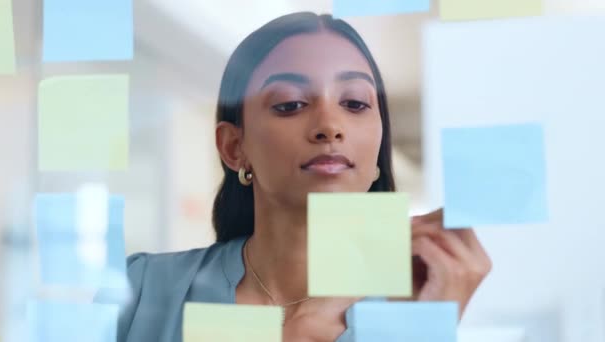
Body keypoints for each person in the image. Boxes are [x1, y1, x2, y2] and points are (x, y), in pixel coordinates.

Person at [113, 12, 492, 342]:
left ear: (378, 148)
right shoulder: (140, 289)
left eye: (355, 103)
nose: (329, 126)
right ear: (233, 148)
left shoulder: (426, 302)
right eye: (290, 104)